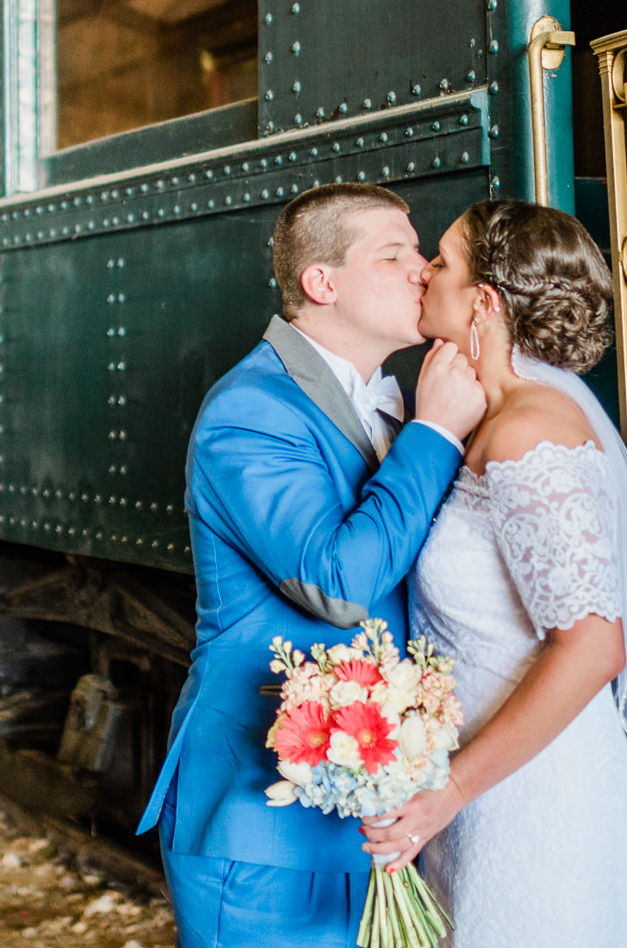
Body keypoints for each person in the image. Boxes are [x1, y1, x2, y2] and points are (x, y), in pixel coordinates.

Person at [136, 183, 490, 948]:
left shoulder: (388, 403)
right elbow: (336, 584)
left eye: (420, 252)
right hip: (262, 824)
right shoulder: (251, 410)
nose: (422, 270)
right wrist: (431, 435)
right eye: (392, 255)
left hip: (370, 807)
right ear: (320, 284)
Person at [360, 200, 627, 947]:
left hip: (542, 808)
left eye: (444, 262)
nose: (425, 271)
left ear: (484, 302)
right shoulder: (490, 422)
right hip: (491, 795)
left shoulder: (529, 433)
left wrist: (448, 790)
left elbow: (592, 646)